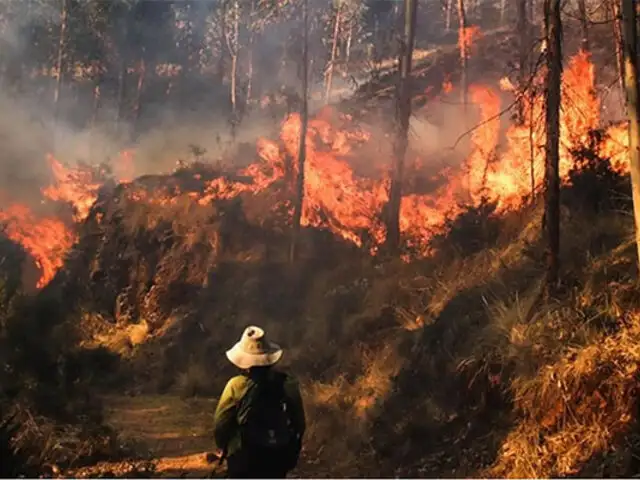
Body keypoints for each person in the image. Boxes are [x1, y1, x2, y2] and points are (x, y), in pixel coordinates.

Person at [213, 326, 306, 478]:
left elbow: (220, 425)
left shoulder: (235, 385)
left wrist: (226, 448)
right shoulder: (288, 383)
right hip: (278, 455)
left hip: (243, 457)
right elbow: (299, 424)